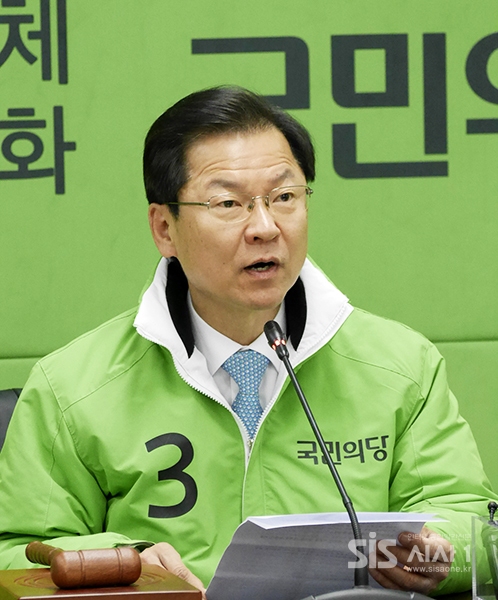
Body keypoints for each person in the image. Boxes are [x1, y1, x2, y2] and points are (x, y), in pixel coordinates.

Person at [0, 86, 494, 598]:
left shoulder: (400, 367)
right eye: (228, 203)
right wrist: (122, 563)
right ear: (165, 228)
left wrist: (443, 552)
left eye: (284, 197)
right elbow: (15, 552)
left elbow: (471, 521)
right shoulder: (72, 388)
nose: (264, 227)